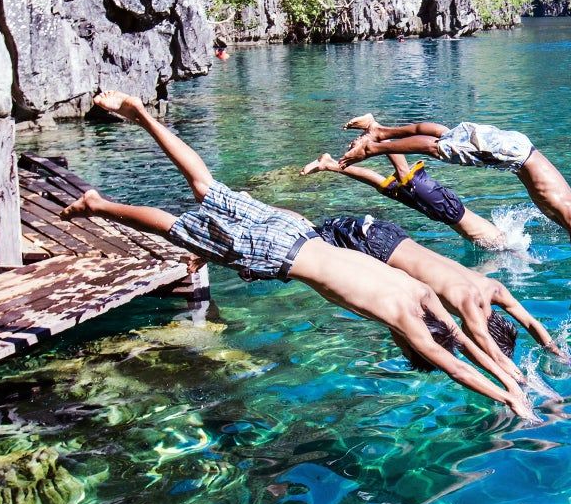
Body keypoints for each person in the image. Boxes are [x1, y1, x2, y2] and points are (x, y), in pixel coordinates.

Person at [60, 92, 534, 419]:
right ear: (412, 342)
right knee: (179, 228)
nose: (404, 346)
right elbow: (453, 361)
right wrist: (510, 400)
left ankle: (143, 116)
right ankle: (100, 206)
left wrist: (510, 378)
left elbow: (466, 343)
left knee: (206, 187)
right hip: (279, 255)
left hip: (301, 230)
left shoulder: (422, 292)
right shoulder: (406, 318)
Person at [332, 115, 571, 294]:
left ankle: (380, 130)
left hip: (518, 149)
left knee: (447, 136)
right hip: (512, 154)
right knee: (440, 148)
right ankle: (373, 147)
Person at [313, 213, 571, 386]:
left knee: (307, 238)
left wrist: (556, 351)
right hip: (374, 248)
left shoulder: (494, 289)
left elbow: (530, 322)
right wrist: (519, 382)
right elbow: (487, 350)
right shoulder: (469, 309)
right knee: (307, 242)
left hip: (392, 235)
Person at [301, 152, 508, 248]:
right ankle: (376, 133)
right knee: (404, 173)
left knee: (383, 185)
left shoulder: (501, 238)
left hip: (440, 213)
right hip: (448, 209)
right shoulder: (505, 244)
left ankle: (329, 164)